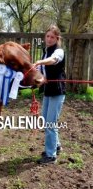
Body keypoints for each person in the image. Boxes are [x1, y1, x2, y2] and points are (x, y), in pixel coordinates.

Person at [34, 25, 66, 164]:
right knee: (46, 119)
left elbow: (54, 60)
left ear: (57, 38)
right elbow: (43, 72)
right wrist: (41, 79)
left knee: (50, 123)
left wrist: (40, 61)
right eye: (47, 36)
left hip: (57, 91)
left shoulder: (58, 51)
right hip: (48, 91)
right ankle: (56, 145)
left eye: (52, 37)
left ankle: (51, 155)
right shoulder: (45, 51)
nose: (49, 39)